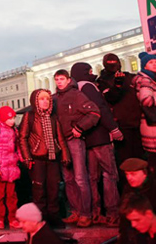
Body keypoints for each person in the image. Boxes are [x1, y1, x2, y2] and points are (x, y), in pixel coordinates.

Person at [70, 62, 122, 226]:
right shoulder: (88, 86)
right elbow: (100, 108)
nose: (92, 73)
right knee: (109, 175)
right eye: (90, 70)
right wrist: (113, 128)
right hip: (100, 136)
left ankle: (95, 212)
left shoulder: (74, 89)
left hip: (87, 139)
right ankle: (113, 213)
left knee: (92, 178)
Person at [52, 69, 100, 227]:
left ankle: (86, 214)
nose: (59, 82)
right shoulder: (54, 98)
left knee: (80, 178)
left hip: (74, 141)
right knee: (68, 179)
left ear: (68, 80)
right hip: (61, 143)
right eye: (57, 79)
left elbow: (94, 112)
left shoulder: (77, 95)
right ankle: (75, 212)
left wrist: (80, 127)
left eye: (61, 79)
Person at [19, 89, 71, 228]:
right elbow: (22, 138)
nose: (45, 101)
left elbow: (60, 138)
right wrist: (27, 157)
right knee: (39, 189)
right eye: (42, 99)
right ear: (35, 101)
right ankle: (40, 218)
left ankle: (54, 216)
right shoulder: (29, 116)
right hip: (37, 158)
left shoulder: (53, 117)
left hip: (53, 158)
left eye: (47, 99)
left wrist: (65, 154)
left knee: (54, 189)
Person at [97, 53, 145, 166]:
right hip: (121, 125)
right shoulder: (102, 81)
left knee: (141, 158)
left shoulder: (129, 77)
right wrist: (117, 86)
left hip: (137, 122)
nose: (113, 65)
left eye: (115, 62)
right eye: (110, 63)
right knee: (125, 159)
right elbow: (110, 98)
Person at [0, 106, 22, 229]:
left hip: (11, 167)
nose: (12, 121)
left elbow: (17, 147)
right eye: (10, 119)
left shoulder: (14, 130)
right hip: (0, 167)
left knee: (12, 196)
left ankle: (12, 218)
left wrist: (22, 159)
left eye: (13, 118)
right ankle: (0, 218)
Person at [119, 158, 156, 244]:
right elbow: (123, 220)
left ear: (144, 173)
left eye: (133, 174)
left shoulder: (153, 189)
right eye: (126, 174)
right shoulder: (127, 190)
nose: (129, 178)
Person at [132, 52, 156, 173]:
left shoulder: (149, 78)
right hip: (152, 128)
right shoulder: (146, 80)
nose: (155, 64)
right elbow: (146, 100)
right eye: (151, 62)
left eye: (155, 61)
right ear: (144, 66)